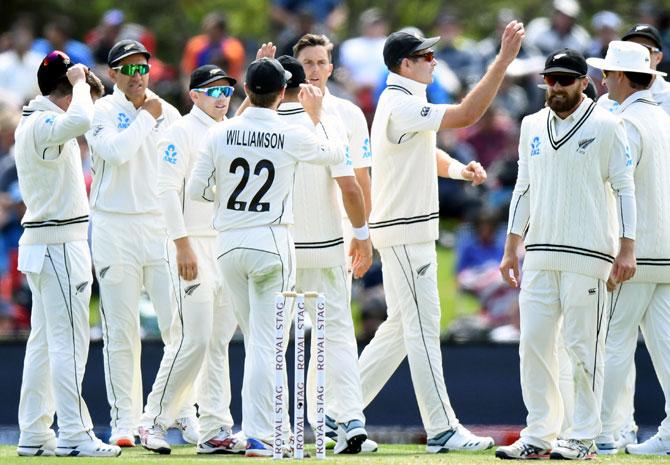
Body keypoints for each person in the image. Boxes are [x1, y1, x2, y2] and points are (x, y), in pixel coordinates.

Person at [357, 21, 524, 454]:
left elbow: (423, 150)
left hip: (406, 230)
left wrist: (456, 168)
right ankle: (442, 428)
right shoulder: (398, 104)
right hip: (406, 232)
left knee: (399, 329)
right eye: (425, 56)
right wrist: (502, 62)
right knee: (424, 329)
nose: (434, 60)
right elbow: (467, 115)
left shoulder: (407, 100)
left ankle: (340, 414)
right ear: (403, 64)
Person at [187, 57, 344, 457]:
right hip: (272, 240)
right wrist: (317, 114)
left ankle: (264, 430)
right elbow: (333, 153)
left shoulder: (220, 134)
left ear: (245, 91)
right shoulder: (290, 131)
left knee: (256, 339)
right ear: (281, 93)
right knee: (266, 342)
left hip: (228, 243)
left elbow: (197, 192)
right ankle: (263, 432)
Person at [495, 48, 637, 460]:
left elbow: (625, 188)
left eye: (564, 80)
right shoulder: (531, 124)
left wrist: (626, 248)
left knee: (582, 349)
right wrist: (510, 246)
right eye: (550, 80)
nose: (555, 87)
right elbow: (523, 186)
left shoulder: (610, 125)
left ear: (584, 83)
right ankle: (539, 434)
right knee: (534, 346)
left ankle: (582, 435)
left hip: (589, 254)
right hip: (538, 253)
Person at [14, 50, 118, 457]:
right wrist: (80, 84)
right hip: (57, 244)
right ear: (64, 92)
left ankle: (35, 433)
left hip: (52, 244)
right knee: (69, 343)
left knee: (43, 344)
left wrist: (79, 87)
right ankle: (75, 433)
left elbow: (78, 119)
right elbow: (80, 120)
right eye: (79, 94)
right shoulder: (44, 122)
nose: (87, 104)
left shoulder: (37, 122)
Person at [138, 65, 245, 455]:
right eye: (213, 90)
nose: (222, 97)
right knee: (192, 339)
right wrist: (181, 243)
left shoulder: (230, 129)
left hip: (225, 244)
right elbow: (166, 190)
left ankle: (216, 426)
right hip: (190, 245)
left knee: (217, 342)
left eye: (226, 90)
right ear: (194, 95)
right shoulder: (180, 132)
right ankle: (152, 422)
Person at [85, 39, 185, 447]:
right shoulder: (102, 111)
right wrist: (146, 117)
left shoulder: (169, 112)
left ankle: (177, 415)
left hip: (158, 227)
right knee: (121, 331)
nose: (136, 74)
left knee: (179, 328)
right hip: (113, 227)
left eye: (141, 67)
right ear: (112, 75)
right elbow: (116, 152)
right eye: (127, 68)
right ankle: (124, 422)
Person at [276, 54, 372, 454]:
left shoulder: (255, 129)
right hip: (327, 247)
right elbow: (350, 188)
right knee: (337, 336)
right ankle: (351, 425)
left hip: (281, 249)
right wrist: (363, 235)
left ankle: (275, 431)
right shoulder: (326, 123)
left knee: (273, 341)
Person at [586, 41, 670, 456]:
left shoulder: (628, 124)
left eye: (607, 73)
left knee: (613, 341)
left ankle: (601, 432)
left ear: (620, 76)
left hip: (638, 253)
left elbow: (624, 190)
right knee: (665, 345)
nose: (602, 80)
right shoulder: (660, 118)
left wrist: (625, 247)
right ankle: (669, 433)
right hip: (665, 252)